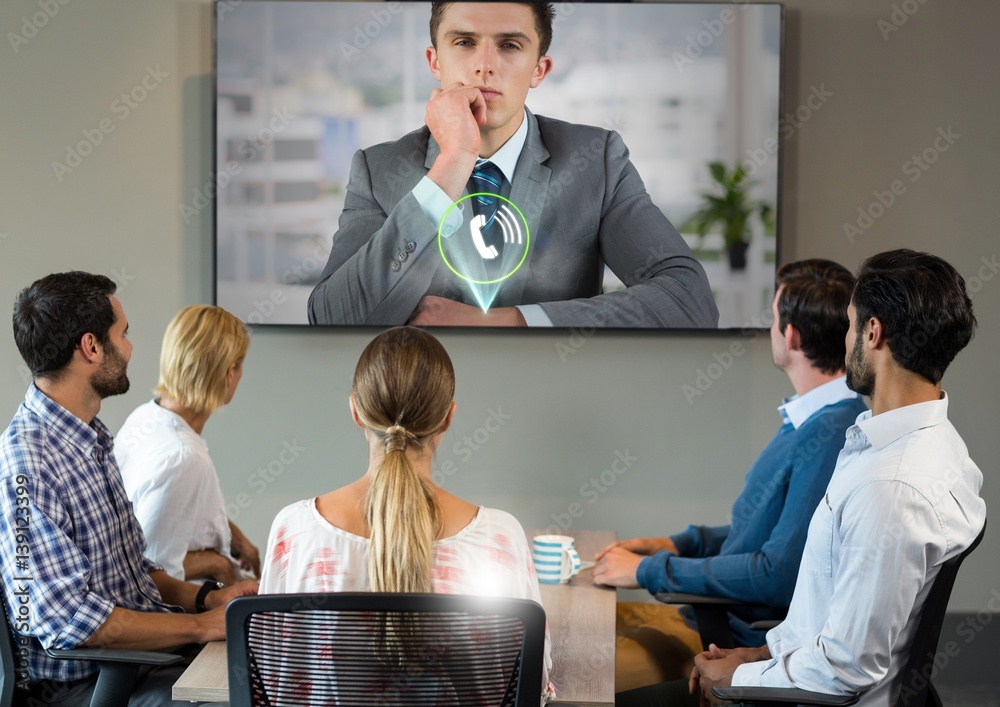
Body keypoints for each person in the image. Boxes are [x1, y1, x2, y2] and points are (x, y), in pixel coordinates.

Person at [618, 249, 985, 707]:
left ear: (873, 333)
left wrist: (742, 677)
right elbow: (821, 611)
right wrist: (756, 654)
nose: (844, 336)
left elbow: (845, 667)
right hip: (795, 671)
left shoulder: (889, 487)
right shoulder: (932, 448)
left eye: (850, 324)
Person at [307, 1, 718, 329]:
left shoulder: (597, 160)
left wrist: (511, 321)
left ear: (539, 69)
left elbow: (689, 300)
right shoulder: (378, 169)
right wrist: (452, 164)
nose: (484, 64)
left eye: (509, 45)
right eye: (464, 42)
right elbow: (333, 319)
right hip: (421, 422)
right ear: (435, 61)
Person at [592, 259, 867, 692]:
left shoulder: (830, 432)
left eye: (774, 318)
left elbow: (777, 572)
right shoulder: (815, 418)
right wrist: (679, 544)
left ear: (790, 334)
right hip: (713, 614)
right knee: (586, 624)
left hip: (731, 636)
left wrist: (648, 570)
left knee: (578, 666)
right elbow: (767, 530)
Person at [0, 272, 257, 706]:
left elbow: (135, 571)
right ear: (91, 347)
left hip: (136, 662)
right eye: (124, 333)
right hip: (89, 685)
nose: (132, 347)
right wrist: (201, 627)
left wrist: (208, 598)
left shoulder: (91, 438)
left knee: (268, 675)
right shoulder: (27, 463)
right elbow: (73, 622)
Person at [258, 326, 554, 703]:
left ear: (355, 411)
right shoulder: (499, 537)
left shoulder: (295, 530)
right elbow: (532, 683)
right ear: (448, 417)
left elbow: (271, 677)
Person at [116, 305, 260, 586]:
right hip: (186, 619)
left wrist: (232, 536)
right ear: (230, 373)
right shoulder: (184, 457)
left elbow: (168, 509)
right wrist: (219, 564)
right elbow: (150, 571)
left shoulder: (145, 417)